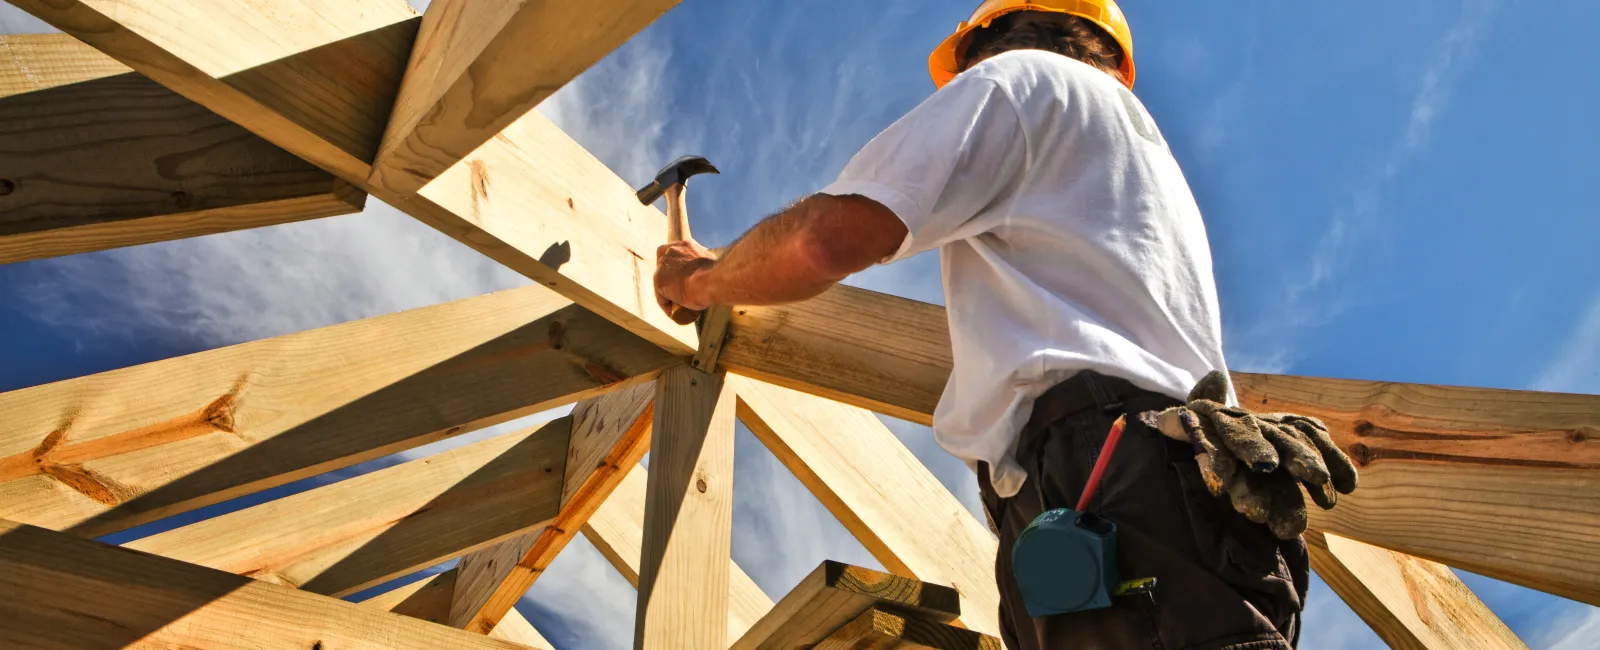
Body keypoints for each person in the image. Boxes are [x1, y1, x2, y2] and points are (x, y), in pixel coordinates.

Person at [655, 2, 1356, 647]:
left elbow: (821, 241)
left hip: (1107, 477)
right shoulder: (1134, 156)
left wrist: (703, 278)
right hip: (1183, 496)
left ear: (988, 41)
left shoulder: (1020, 82)